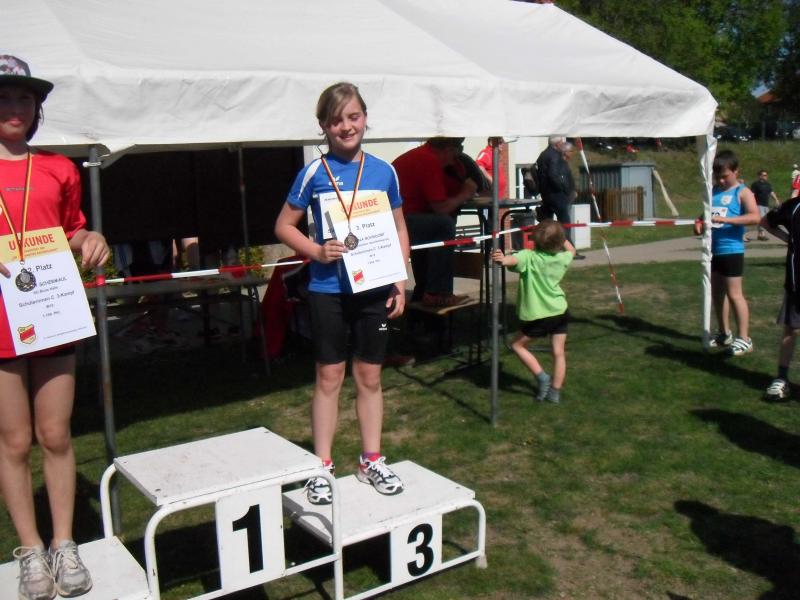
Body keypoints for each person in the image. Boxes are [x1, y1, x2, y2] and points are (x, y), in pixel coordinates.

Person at [0, 54, 110, 599]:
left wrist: (91, 239)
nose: (14, 107)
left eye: (24, 97)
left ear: (37, 107)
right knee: (14, 440)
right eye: (3, 97)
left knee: (55, 434)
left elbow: (71, 231)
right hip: (1, 320)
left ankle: (64, 542)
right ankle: (30, 550)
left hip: (50, 312)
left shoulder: (59, 168)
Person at [274, 82, 409, 505]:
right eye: (336, 120)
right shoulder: (313, 173)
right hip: (327, 290)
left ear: (365, 118)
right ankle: (321, 466)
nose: (346, 126)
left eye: (354, 117)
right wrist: (316, 251)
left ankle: (371, 460)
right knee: (329, 377)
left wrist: (400, 279)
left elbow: (399, 228)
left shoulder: (384, 172)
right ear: (323, 126)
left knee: (370, 376)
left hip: (373, 289)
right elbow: (283, 226)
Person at [491, 219, 575, 403]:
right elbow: (572, 250)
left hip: (542, 315)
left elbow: (511, 260)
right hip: (560, 311)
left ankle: (543, 378)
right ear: (560, 241)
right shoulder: (562, 258)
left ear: (535, 240)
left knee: (517, 345)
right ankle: (555, 392)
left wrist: (502, 258)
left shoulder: (528, 257)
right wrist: (561, 238)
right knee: (558, 352)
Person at [393, 137, 478, 306]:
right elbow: (441, 207)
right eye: (456, 152)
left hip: (400, 219)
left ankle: (423, 290)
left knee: (432, 229)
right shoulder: (429, 161)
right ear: (449, 149)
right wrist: (465, 193)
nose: (455, 158)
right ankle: (438, 293)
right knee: (443, 224)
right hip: (399, 222)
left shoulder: (420, 156)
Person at [693, 149, 759, 355]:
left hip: (732, 249)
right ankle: (724, 332)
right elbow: (704, 215)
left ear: (736, 171)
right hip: (713, 251)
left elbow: (755, 217)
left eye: (725, 176)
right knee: (717, 293)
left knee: (734, 294)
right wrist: (699, 223)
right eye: (717, 177)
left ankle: (745, 339)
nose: (721, 180)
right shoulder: (713, 191)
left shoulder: (743, 192)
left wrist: (727, 220)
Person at [760, 192, 800, 400]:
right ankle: (782, 379)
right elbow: (766, 222)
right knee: (791, 329)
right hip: (796, 282)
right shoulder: (793, 206)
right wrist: (787, 239)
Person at [536, 137, 584, 259]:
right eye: (561, 142)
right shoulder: (555, 156)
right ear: (557, 144)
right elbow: (553, 176)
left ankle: (547, 249)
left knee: (547, 225)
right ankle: (569, 251)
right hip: (557, 196)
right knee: (565, 224)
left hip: (546, 195)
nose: (563, 144)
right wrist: (565, 190)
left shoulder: (543, 154)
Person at [748, 169, 779, 241]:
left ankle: (760, 234)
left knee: (766, 220)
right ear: (760, 176)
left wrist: (776, 200)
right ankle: (762, 234)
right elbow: (752, 194)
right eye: (764, 175)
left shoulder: (768, 184)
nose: (766, 176)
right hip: (758, 204)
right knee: (762, 219)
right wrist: (751, 203)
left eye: (766, 175)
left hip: (766, 205)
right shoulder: (756, 184)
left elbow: (771, 192)